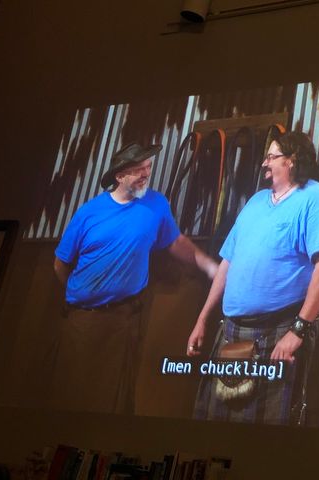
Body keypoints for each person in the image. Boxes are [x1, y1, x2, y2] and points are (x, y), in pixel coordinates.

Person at [187, 131, 319, 427]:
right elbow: (228, 262)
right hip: (232, 331)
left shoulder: (317, 200)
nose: (264, 163)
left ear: (293, 161)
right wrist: (203, 318)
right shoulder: (256, 202)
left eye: (271, 157)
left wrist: (297, 330)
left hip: (281, 330)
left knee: (274, 433)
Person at [50, 142, 217, 414]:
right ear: (119, 176)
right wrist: (79, 295)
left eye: (148, 167)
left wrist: (209, 265)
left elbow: (175, 241)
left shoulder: (156, 205)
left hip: (124, 319)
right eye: (138, 170)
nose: (146, 174)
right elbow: (60, 263)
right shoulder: (89, 212)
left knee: (112, 403)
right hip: (83, 319)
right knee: (71, 399)